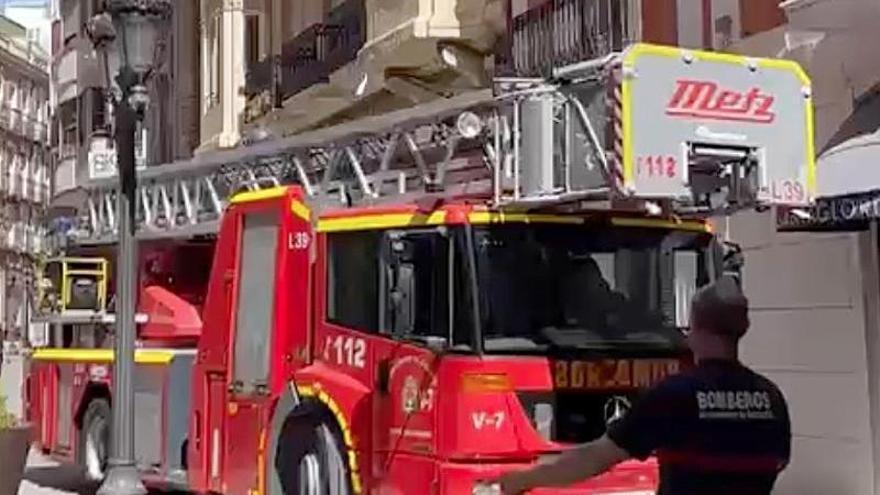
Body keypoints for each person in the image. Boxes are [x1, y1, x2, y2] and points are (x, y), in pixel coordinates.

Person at [488, 275, 791, 494]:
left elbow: (594, 459)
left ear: (694, 327)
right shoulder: (772, 400)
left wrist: (523, 479)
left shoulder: (674, 396)